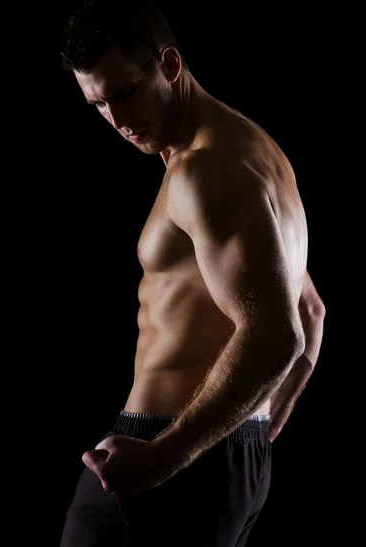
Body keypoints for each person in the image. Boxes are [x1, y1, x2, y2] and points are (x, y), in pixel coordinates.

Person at [58, 1, 326, 545]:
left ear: (170, 65)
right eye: (99, 105)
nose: (118, 120)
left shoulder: (207, 170)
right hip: (223, 453)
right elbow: (311, 311)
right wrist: (259, 425)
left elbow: (279, 336)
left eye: (126, 92)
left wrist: (161, 458)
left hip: (171, 448)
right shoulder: (256, 151)